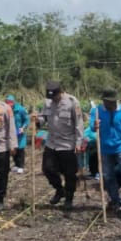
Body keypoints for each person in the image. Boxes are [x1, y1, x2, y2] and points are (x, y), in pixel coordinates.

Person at [89, 89, 121, 218]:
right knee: (108, 176)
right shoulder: (97, 111)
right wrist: (95, 125)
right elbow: (92, 127)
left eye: (113, 102)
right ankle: (115, 200)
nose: (111, 104)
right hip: (105, 148)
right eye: (108, 102)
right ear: (103, 101)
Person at [38, 82, 82, 213]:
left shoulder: (72, 102)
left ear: (60, 92)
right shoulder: (48, 102)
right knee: (47, 169)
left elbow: (79, 124)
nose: (53, 99)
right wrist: (37, 120)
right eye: (51, 97)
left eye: (55, 97)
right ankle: (59, 190)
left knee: (70, 174)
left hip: (67, 143)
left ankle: (69, 198)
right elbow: (43, 118)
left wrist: (78, 143)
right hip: (52, 142)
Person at [6, 94, 29, 170]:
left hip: (19, 132)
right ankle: (16, 165)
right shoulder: (6, 110)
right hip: (11, 132)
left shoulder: (20, 109)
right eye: (7, 102)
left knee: (20, 149)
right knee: (13, 148)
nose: (9, 104)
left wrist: (23, 127)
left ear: (13, 102)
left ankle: (21, 166)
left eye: (10, 102)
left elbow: (26, 120)